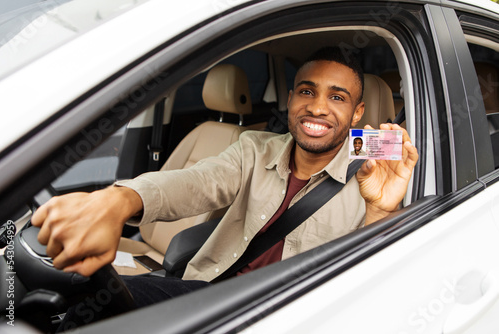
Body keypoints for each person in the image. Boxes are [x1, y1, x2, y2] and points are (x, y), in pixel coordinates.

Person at [31, 47, 418, 325]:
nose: (317, 108)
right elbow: (195, 183)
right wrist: (119, 201)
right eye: (307, 91)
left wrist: (381, 211)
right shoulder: (253, 147)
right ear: (290, 98)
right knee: (88, 309)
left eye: (337, 97)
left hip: (293, 317)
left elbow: (373, 289)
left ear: (358, 113)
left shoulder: (372, 173)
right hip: (212, 295)